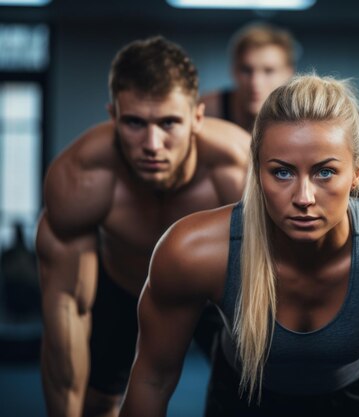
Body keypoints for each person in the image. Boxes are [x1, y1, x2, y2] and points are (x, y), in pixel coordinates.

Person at [119, 74, 359, 417]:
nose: (304, 197)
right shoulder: (193, 250)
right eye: (281, 172)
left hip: (354, 397)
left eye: (325, 171)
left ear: (358, 171)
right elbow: (154, 377)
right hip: (242, 396)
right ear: (257, 170)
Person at [36, 36, 250, 417]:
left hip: (213, 296)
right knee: (96, 403)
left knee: (250, 402)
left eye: (169, 122)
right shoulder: (82, 179)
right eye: (134, 122)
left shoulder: (238, 172)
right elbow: (68, 313)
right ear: (113, 116)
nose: (152, 143)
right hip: (125, 289)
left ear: (197, 118)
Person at [199, 22, 296, 132]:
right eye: (246, 70)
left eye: (269, 71)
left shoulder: (299, 116)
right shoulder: (205, 110)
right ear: (234, 71)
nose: (255, 82)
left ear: (289, 73)